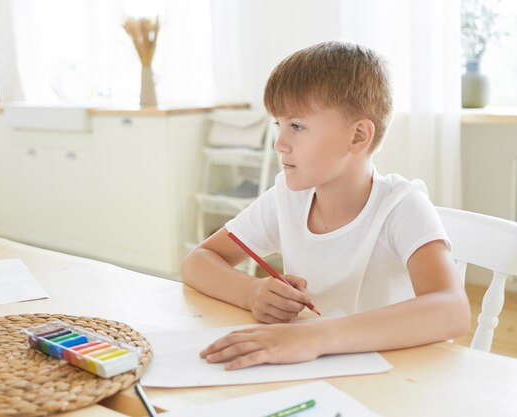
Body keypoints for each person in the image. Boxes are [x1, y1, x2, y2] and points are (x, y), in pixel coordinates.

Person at [181, 41, 470, 370]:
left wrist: (315, 337)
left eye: (298, 126)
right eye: (280, 125)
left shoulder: (401, 206)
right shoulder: (287, 199)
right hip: (314, 368)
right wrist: (251, 292)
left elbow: (453, 310)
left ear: (358, 136)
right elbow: (197, 262)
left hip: (394, 377)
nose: (280, 143)